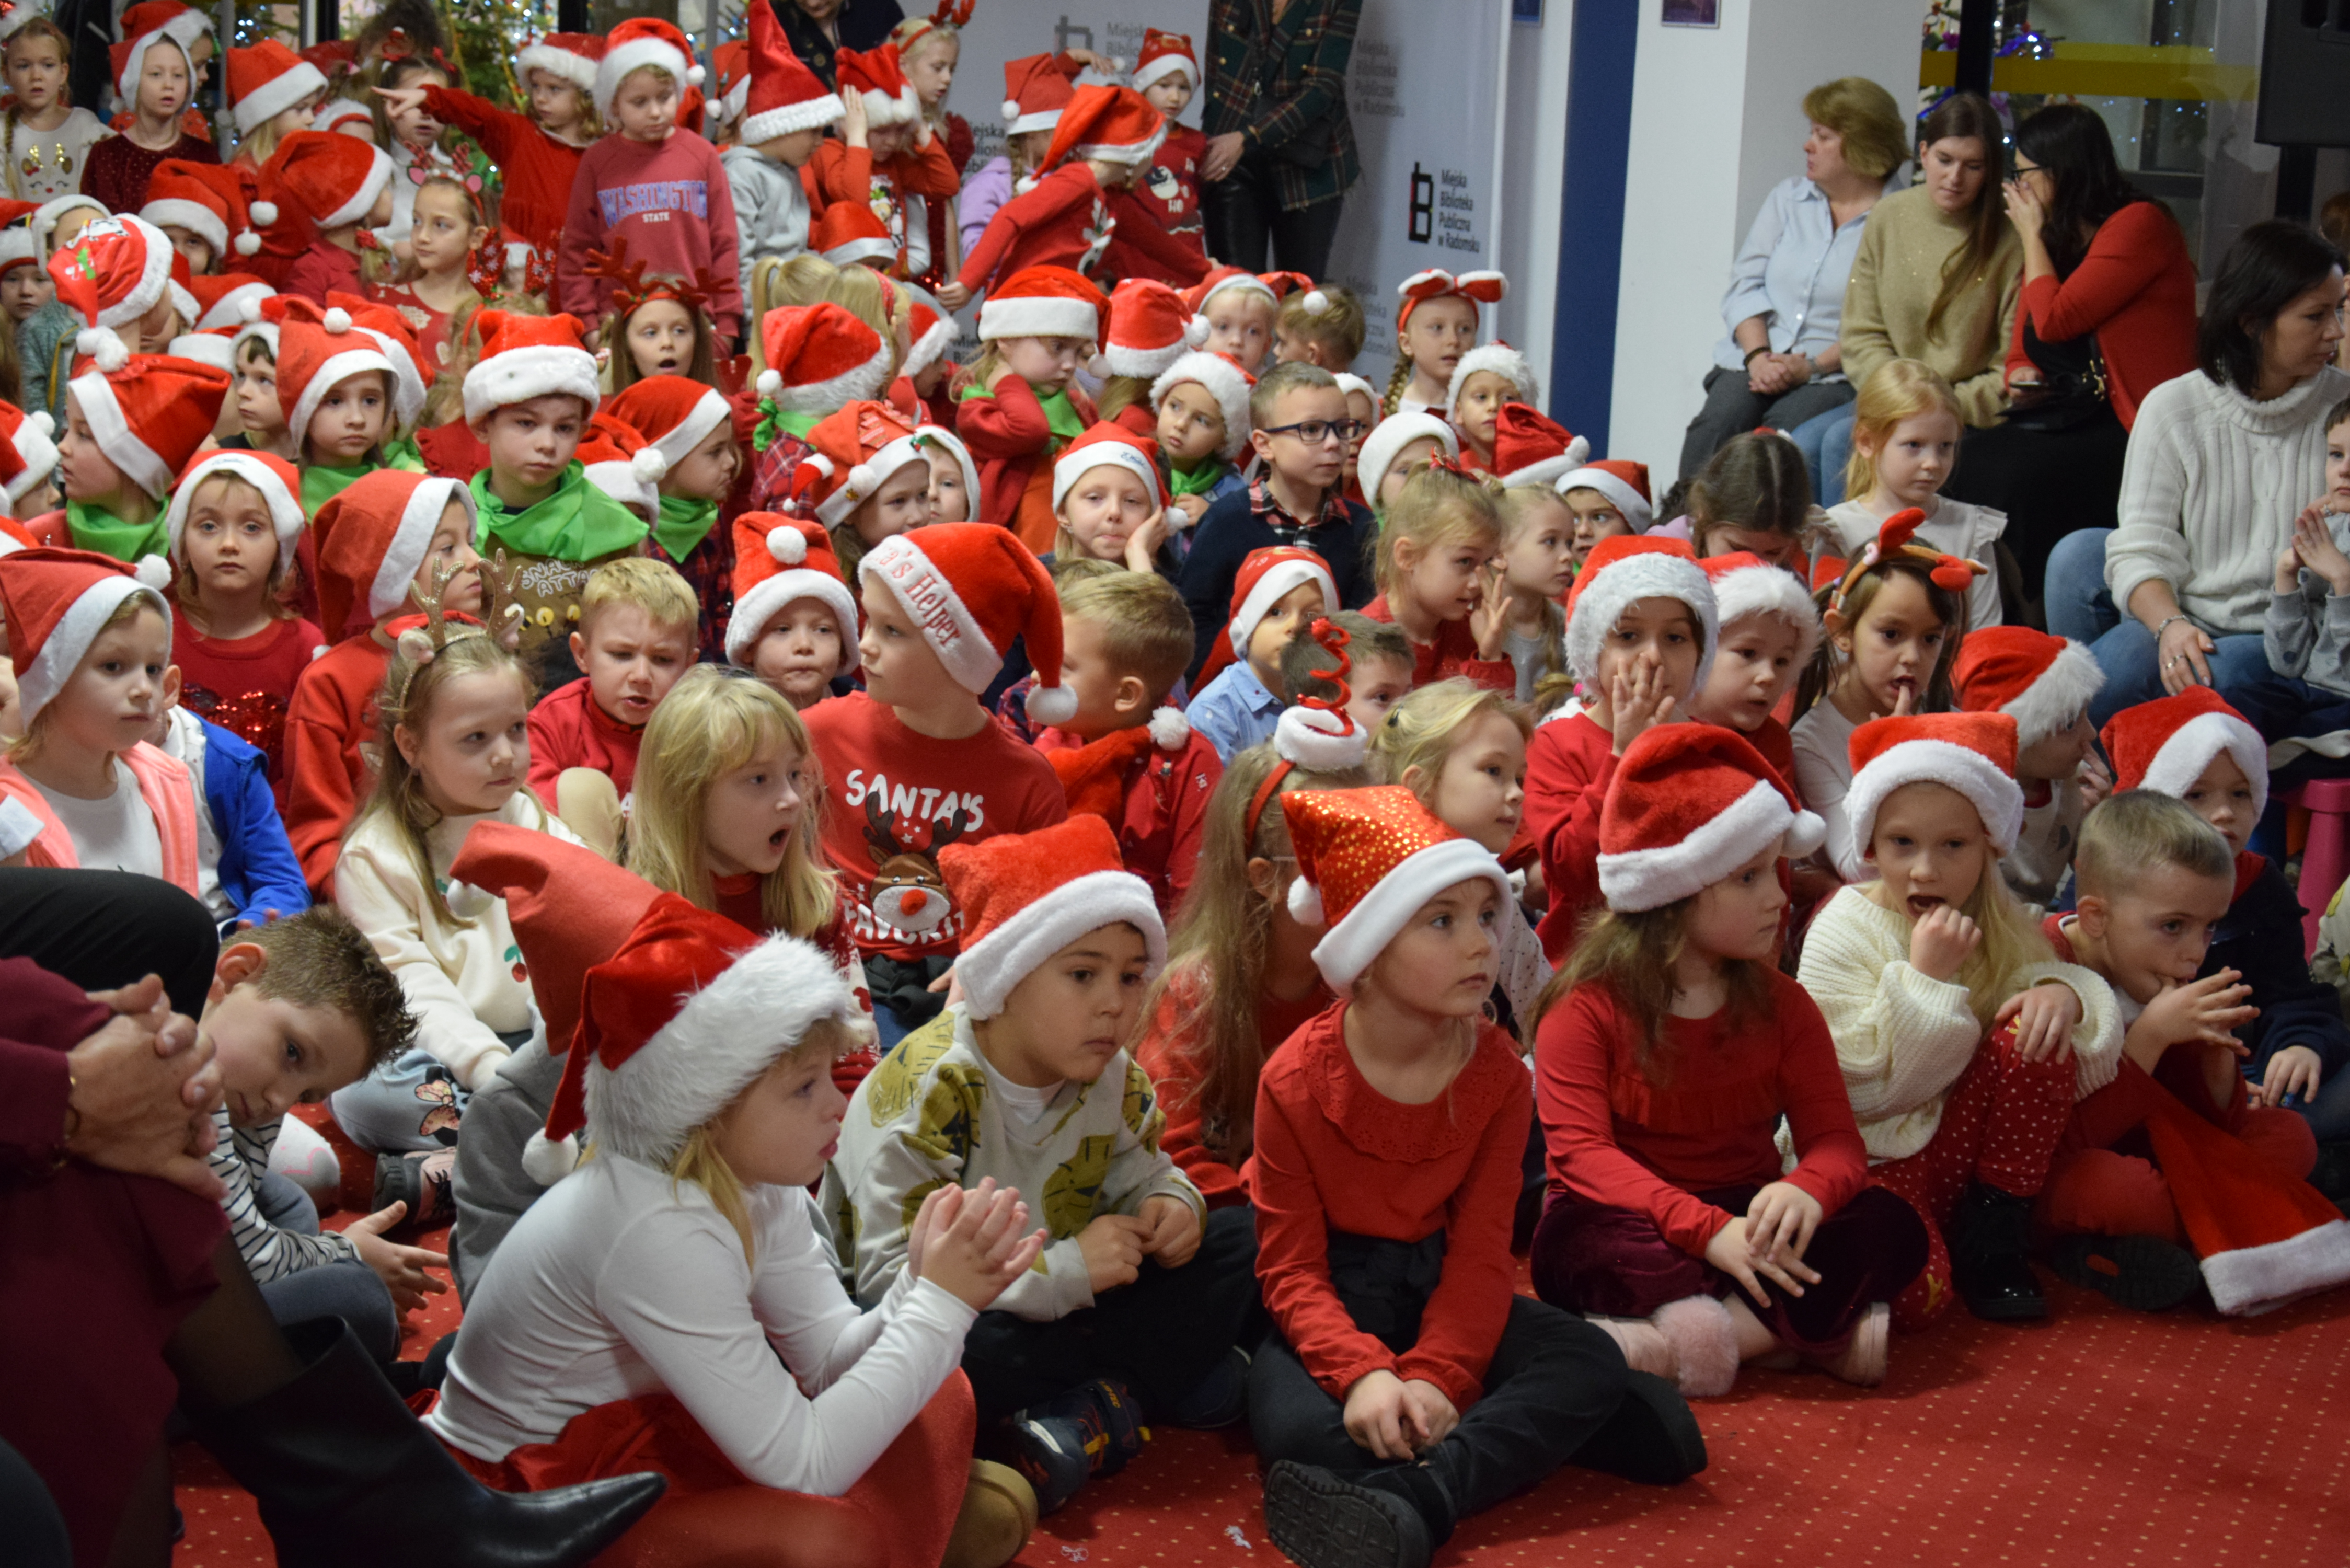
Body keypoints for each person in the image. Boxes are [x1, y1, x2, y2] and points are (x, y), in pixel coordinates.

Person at [0, 871, 670, 1568]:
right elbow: (246, 1242)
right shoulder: (195, 1081)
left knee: (245, 1185)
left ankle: (369, 1495)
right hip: (218, 1240)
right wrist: (343, 1253)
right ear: (233, 975)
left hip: (200, 1207)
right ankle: (369, 1500)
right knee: (351, 1294)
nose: (278, 1097)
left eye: (307, 1089)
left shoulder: (228, 1088)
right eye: (289, 1055)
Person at [427, 893, 1039, 1568]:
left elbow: (827, 1357)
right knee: (828, 1541)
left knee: (941, 1395)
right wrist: (941, 1307)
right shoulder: (658, 1223)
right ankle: (899, 1537)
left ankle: (892, 1541)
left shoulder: (752, 1179)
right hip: (522, 1499)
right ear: (706, 1110)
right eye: (804, 1088)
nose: (838, 1105)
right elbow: (806, 1467)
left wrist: (916, 1290)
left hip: (630, 1436)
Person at [1248, 786, 1702, 1568]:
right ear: (1369, 950)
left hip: (1442, 1285)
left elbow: (1484, 1256)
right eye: (1442, 921)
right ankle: (1535, 1432)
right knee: (1297, 1433)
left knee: (1586, 1359)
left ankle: (1428, 1493)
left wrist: (1437, 1377)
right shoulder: (1291, 1080)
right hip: (1337, 1293)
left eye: (1486, 917)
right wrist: (1361, 1377)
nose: (1483, 945)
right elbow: (1291, 1269)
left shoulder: (1496, 1074)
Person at [830, 816, 1262, 1514]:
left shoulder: (1113, 1076)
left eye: (1129, 976)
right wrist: (1064, 1276)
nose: (1115, 1004)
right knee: (960, 1366)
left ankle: (1093, 1407)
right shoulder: (927, 1089)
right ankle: (1135, 1391)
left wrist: (1172, 1206)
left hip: (1075, 1293)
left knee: (1238, 1239)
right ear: (1006, 977)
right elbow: (888, 1287)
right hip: (956, 1315)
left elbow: (1144, 1171)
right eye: (1083, 974)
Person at [1532, 725, 1926, 1394]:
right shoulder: (1584, 1008)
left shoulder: (1784, 1004)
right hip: (1632, 1215)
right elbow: (1582, 1158)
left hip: (1745, 1214)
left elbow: (1834, 1143)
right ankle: (1807, 1336)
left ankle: (1683, 1346)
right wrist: (1706, 1232)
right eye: (1747, 878)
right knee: (1575, 1250)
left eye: (1773, 870)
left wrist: (1801, 1190)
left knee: (1893, 1227)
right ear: (1673, 892)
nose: (1777, 896)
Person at [1797, 711, 2123, 1325]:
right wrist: (1925, 980)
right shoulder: (1840, 927)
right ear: (1870, 846)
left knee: (2035, 1028)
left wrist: (2063, 994)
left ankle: (1994, 1237)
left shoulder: (1996, 922)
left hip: (1964, 1165)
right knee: (1917, 1297)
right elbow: (1860, 1091)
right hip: (1872, 1163)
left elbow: (2090, 1050)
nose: (1925, 869)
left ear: (1987, 848)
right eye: (1902, 844)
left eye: (1952, 845)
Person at [2035, 790, 2349, 1316]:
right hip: (2068, 1164)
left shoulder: (2163, 960)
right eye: (2173, 926)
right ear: (2094, 917)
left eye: (2209, 928)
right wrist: (2149, 1040)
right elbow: (2055, 1139)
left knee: (2287, 1135)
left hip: (2158, 1145)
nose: (2194, 950)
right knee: (2120, 1192)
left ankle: (2192, 1244)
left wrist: (2215, 1063)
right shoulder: (2047, 974)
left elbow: (2209, 1122)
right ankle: (2200, 1235)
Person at [2046, 221, 2350, 732]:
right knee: (2103, 670)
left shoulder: (2340, 408)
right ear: (2251, 321)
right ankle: (2081, 788)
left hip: (2283, 630)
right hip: (2188, 612)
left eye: (2338, 310)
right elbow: (2142, 545)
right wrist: (2170, 625)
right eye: (2315, 316)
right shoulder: (2174, 407)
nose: (2336, 331)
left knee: (2221, 679)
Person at [800, 523, 1070, 1046]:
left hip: (964, 988)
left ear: (958, 657)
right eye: (868, 624)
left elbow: (1039, 915)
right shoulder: (821, 732)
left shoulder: (1026, 782)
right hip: (838, 971)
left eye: (892, 631)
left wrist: (987, 965)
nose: (866, 646)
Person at [1940, 103, 2197, 597]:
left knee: (2014, 476)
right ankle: (1980, 610)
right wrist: (2020, 373)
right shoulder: (2056, 235)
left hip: (2132, 424)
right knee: (1968, 458)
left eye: (2025, 172)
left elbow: (2058, 321)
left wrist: (2031, 236)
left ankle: (2030, 611)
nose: (2018, 186)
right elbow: (2027, 335)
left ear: (2061, 170)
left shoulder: (2140, 224)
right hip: (2070, 410)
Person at [2101, 689, 2350, 1162]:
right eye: (2197, 794)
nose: (2224, 814)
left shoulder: (2260, 884)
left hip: (2250, 1080)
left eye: (2240, 793)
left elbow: (2292, 995)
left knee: (2319, 1102)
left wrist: (2299, 1047)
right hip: (2146, 1084)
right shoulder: (2114, 887)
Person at [1791, 91, 2018, 507]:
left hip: (1961, 408)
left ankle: (1866, 564)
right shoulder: (1889, 215)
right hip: (1891, 397)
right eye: (1945, 160)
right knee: (1804, 444)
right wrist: (1899, 400)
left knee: (1842, 440)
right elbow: (1862, 333)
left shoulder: (2009, 237)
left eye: (1973, 166)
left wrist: (1936, 408)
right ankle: (1826, 566)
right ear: (1925, 154)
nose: (1955, 178)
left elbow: (2009, 367)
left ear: (1990, 171)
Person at [1678, 77, 1907, 481]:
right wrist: (1758, 358)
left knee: (1779, 440)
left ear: (1862, 144)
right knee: (1716, 427)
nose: (1808, 146)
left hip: (1835, 374)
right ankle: (1682, 532)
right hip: (1757, 358)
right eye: (1811, 134)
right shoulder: (1789, 198)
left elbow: (1887, 322)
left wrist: (1812, 367)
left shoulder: (1899, 218)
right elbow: (1745, 287)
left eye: (1823, 136)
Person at [283, 470, 481, 893]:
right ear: (393, 571)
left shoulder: (488, 660)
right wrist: (367, 901)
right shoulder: (331, 681)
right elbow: (319, 832)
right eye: (448, 548)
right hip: (373, 894)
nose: (475, 560)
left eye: (471, 542)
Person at [1523, 535, 1718, 960]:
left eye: (1676, 638)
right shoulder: (1557, 744)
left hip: (1695, 969)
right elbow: (1574, 875)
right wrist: (1624, 756)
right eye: (1629, 636)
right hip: (1589, 970)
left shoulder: (1715, 748)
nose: (1653, 656)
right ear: (1594, 652)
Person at [1790, 512, 1980, 883]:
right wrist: (1888, 758)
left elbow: (1986, 855)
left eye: (1930, 639)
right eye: (1892, 634)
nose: (1912, 656)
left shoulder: (1952, 724)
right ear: (1842, 631)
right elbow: (1859, 867)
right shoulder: (1811, 742)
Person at [1031, 568, 1223, 917]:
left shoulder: (1187, 760)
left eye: (1062, 665)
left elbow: (1193, 889)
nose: (1036, 674)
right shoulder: (1053, 736)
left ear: (1126, 694)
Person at [557, 19, 743, 348]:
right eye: (640, 103)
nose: (657, 112)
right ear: (614, 104)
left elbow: (725, 243)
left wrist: (727, 323)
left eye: (665, 97)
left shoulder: (702, 155)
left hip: (695, 321)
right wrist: (587, 324)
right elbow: (577, 249)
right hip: (618, 323)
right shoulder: (598, 162)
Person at [1180, 362, 1373, 677]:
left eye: (1342, 428)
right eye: (1311, 430)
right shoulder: (1227, 520)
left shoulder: (1361, 528)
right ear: (1264, 444)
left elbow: (1363, 625)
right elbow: (1194, 616)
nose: (1334, 443)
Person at [160, 449, 318, 782]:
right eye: (208, 526)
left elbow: (306, 777)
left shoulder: (306, 648)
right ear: (183, 544)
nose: (229, 544)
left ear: (280, 546)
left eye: (251, 527)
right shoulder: (156, 636)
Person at [525, 557, 697, 856]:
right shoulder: (551, 723)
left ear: (689, 666)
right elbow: (530, 815)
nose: (641, 676)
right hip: (580, 876)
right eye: (621, 655)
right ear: (582, 654)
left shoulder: (698, 728)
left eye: (663, 660)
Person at [1827, 358, 2005, 632]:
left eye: (1945, 446)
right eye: (1914, 445)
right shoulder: (1838, 530)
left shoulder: (1971, 528)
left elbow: (1985, 634)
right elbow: (1832, 636)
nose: (1933, 462)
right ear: (1867, 442)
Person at [1200, 0, 1361, 280]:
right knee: (1237, 290)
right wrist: (1215, 142)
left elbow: (1323, 87)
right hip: (1234, 154)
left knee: (1300, 303)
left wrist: (1250, 136)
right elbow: (1216, 67)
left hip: (1309, 158)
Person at [1952, 626, 2110, 910]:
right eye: (2070, 724)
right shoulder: (1969, 806)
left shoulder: (2074, 780)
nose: (2091, 734)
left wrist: (2100, 823)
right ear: (2017, 737)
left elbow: (2098, 874)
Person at [953, 267, 1103, 552]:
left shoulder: (1077, 404)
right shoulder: (979, 408)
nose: (1070, 364)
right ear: (1007, 339)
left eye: (1077, 351)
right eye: (1057, 347)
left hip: (1077, 546)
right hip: (1024, 550)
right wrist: (1006, 380)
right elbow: (1031, 430)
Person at [724, 0, 845, 297]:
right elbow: (739, 260)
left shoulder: (789, 169)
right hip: (765, 310)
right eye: (813, 132)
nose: (821, 142)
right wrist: (755, 320)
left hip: (792, 298)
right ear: (783, 127)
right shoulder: (741, 174)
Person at [1361, 464, 1514, 692]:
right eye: (1465, 561)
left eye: (1487, 562)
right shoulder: (1364, 643)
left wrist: (1489, 656)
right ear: (1407, 556)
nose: (1476, 583)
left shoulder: (1473, 632)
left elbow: (1496, 722)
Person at [1188, 545, 1335, 760]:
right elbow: (1219, 794)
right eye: (1276, 612)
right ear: (1247, 626)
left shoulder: (1332, 694)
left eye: (1311, 615)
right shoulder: (1214, 713)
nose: (1295, 626)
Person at [1686, 550, 1821, 782]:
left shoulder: (1773, 744)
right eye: (1748, 653)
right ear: (1699, 651)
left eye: (1782, 662)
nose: (1768, 676)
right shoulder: (1652, 726)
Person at [79, 13, 217, 213]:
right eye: (156, 75)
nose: (168, 85)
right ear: (135, 81)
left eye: (178, 76)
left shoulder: (204, 156)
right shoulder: (107, 156)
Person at [2, 16, 105, 202]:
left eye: (48, 65)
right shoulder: (2, 130)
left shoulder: (84, 125)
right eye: (24, 66)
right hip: (20, 230)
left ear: (63, 72)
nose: (36, 76)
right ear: (7, 74)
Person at [777, 0, 908, 94]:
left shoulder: (879, 6)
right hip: (820, 130)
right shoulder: (776, 22)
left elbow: (909, 71)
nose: (813, 3)